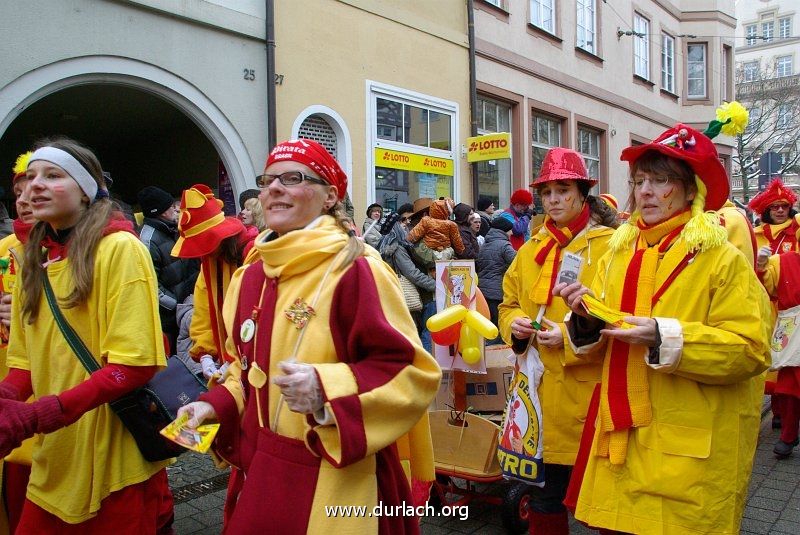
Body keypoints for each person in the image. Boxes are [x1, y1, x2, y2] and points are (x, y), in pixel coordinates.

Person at [177, 138, 441, 533]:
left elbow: (410, 373)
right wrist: (213, 405)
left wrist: (326, 390)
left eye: (293, 178)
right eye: (268, 180)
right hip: (262, 472)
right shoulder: (250, 276)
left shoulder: (357, 268)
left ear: (330, 196)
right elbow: (243, 370)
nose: (274, 189)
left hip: (335, 478)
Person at [555, 124, 771, 535]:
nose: (645, 192)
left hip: (682, 458)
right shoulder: (618, 255)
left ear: (691, 191)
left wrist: (661, 335)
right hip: (617, 447)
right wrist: (584, 319)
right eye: (639, 182)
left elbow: (751, 351)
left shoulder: (722, 259)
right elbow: (599, 340)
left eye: (661, 180)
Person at [0, 137, 174, 533]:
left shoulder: (120, 249)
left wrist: (38, 415)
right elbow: (25, 364)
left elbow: (134, 365)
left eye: (52, 175)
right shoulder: (34, 258)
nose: (34, 186)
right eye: (29, 178)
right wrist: (7, 399)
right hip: (55, 458)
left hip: (111, 458)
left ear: (85, 189)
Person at [498, 147, 616, 533]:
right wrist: (515, 325)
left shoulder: (611, 247)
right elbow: (509, 302)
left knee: (600, 502)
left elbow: (618, 313)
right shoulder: (530, 249)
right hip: (536, 394)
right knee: (545, 497)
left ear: (582, 193)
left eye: (563, 190)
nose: (554, 199)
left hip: (589, 395)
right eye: (547, 192)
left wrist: (566, 337)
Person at [171, 184, 252, 380]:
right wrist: (205, 353)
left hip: (251, 361)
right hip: (229, 365)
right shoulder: (209, 264)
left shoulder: (251, 253)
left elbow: (256, 315)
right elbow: (203, 311)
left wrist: (234, 358)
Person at [0, 152, 38, 534]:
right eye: (19, 186)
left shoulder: (83, 248)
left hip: (57, 402)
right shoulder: (5, 248)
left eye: (36, 184)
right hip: (11, 392)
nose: (25, 195)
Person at [748, 179, 799, 430]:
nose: (780, 210)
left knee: (788, 358)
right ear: (766, 210)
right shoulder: (755, 236)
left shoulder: (796, 231)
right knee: (768, 357)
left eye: (784, 206)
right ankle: (777, 407)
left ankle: (784, 410)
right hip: (762, 305)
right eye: (775, 207)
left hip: (790, 307)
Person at [137, 185, 199, 353]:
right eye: (172, 206)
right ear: (163, 211)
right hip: (169, 317)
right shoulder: (147, 240)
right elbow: (152, 285)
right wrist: (177, 305)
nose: (176, 209)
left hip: (185, 308)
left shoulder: (173, 229)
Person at [757, 247, 800, 457]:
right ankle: (788, 435)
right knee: (790, 386)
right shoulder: (782, 261)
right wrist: (761, 266)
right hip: (791, 327)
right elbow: (767, 290)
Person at [379, 206, 436, 351]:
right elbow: (412, 273)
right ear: (395, 226)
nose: (405, 225)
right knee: (411, 335)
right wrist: (434, 284)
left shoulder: (383, 245)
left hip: (391, 294)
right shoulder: (396, 247)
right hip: (403, 294)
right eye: (402, 222)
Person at [477, 217, 516, 343]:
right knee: (497, 326)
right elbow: (518, 263)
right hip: (497, 291)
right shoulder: (504, 245)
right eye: (510, 231)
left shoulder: (485, 244)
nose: (512, 234)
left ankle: (487, 351)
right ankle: (494, 355)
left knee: (488, 323)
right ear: (504, 231)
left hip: (483, 290)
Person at [407, 197, 465, 268]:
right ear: (425, 214)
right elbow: (458, 244)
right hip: (430, 267)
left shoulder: (425, 222)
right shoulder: (450, 225)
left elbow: (410, 238)